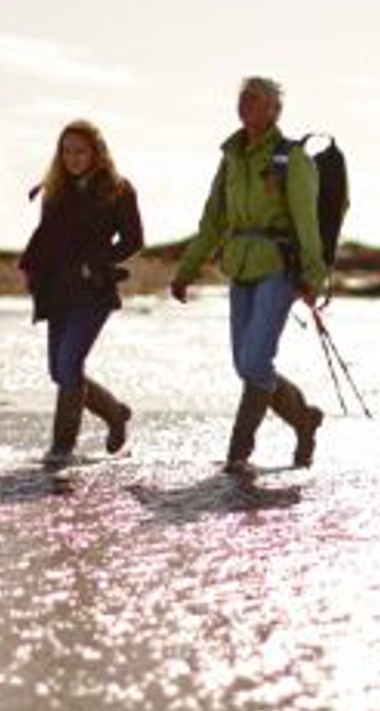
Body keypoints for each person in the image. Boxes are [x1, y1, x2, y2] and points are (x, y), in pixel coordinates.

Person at [169, 76, 327, 473]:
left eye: (255, 99)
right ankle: (304, 419)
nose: (246, 104)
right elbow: (212, 222)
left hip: (279, 268)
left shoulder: (292, 159)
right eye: (243, 98)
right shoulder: (232, 157)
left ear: (275, 110)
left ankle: (238, 455)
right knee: (245, 365)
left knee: (256, 361)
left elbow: (308, 223)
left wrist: (314, 277)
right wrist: (186, 270)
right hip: (239, 268)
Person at [18, 119, 144, 470]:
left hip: (93, 288)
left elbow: (133, 239)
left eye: (80, 151)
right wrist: (31, 270)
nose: (73, 158)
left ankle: (61, 447)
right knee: (59, 371)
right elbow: (45, 237)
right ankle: (115, 413)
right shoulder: (55, 189)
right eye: (67, 151)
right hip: (57, 289)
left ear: (97, 153)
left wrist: (97, 261)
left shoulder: (119, 189)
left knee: (70, 363)